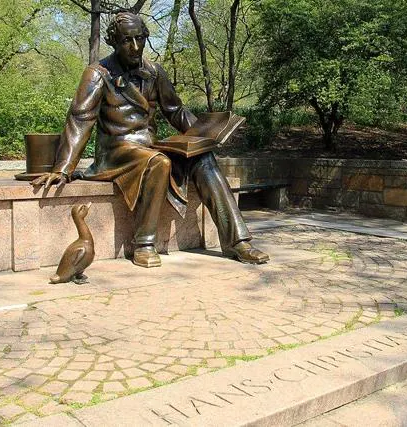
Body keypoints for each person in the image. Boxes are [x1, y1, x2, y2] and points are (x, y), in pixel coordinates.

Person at [31, 11, 268, 268]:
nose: (135, 47)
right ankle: (143, 243)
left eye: (139, 39)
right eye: (126, 41)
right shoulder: (98, 74)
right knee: (159, 162)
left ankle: (238, 242)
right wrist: (63, 167)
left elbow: (175, 111)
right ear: (114, 41)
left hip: (149, 148)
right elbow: (80, 120)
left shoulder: (155, 72)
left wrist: (206, 136)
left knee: (203, 158)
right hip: (116, 152)